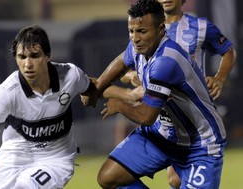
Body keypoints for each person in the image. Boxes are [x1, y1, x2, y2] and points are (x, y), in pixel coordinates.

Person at [82, 0, 227, 188]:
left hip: (201, 145)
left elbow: (146, 116)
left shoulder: (166, 61)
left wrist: (119, 104)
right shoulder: (137, 48)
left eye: (142, 32)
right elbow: (120, 62)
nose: (135, 38)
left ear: (160, 29)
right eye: (131, 31)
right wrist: (97, 88)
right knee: (109, 177)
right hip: (164, 135)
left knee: (175, 181)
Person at [0, 25, 96, 189]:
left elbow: (94, 86)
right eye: (22, 57)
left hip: (55, 158)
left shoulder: (71, 75)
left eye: (34, 56)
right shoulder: (8, 92)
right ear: (16, 58)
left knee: (25, 186)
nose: (28, 64)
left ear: (47, 56)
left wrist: (126, 95)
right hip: (14, 155)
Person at [156, 0, 237, 188]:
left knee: (178, 179)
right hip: (165, 113)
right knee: (174, 179)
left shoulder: (200, 27)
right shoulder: (147, 28)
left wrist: (219, 77)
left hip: (197, 114)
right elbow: (128, 64)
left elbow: (228, 50)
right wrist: (132, 76)